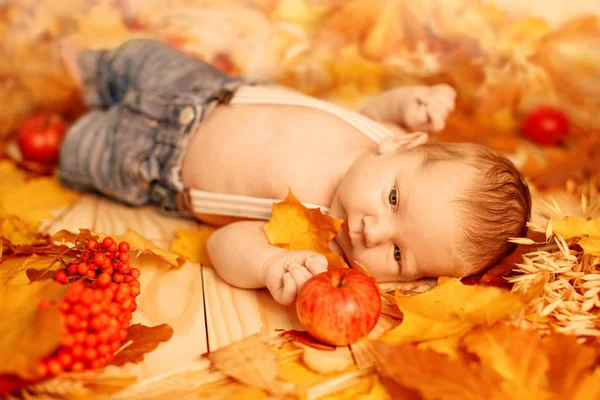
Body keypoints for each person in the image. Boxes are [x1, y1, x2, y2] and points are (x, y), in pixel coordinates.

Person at [58, 38, 531, 305]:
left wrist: (268, 265)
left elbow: (224, 243)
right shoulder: (376, 134)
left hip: (148, 162)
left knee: (77, 150)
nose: (373, 230)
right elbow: (370, 108)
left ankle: (62, 132)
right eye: (393, 200)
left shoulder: (315, 242)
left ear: (410, 282)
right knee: (134, 56)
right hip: (201, 89)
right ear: (403, 143)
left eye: (399, 253)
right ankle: (88, 73)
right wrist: (411, 102)